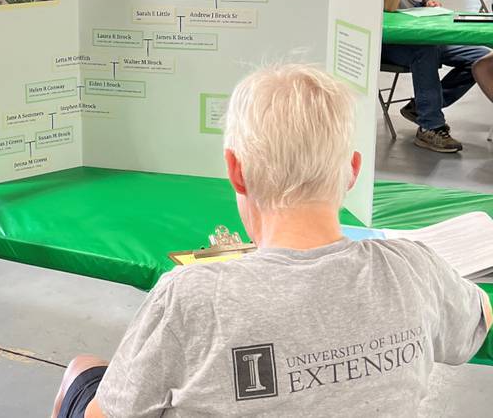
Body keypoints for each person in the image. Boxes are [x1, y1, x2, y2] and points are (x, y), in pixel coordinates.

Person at [51, 64, 492, 418]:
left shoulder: (191, 296)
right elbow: (477, 317)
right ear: (352, 170)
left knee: (82, 370)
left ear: (236, 171)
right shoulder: (414, 268)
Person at [382, 0, 491, 152]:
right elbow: (389, 6)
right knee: (425, 50)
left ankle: (421, 108)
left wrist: (430, 4)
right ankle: (430, 126)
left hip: (422, 35)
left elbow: (423, 0)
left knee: (481, 57)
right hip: (391, 44)